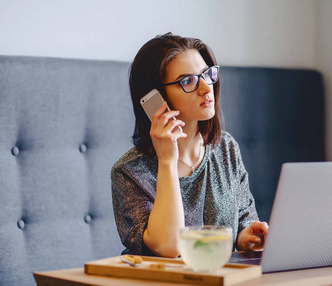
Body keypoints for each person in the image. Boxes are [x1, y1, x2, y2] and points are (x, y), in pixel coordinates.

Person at [111, 33, 268, 258]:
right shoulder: (129, 172)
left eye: (207, 74)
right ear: (156, 97)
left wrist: (246, 237)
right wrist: (167, 160)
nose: (206, 88)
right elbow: (168, 247)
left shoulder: (226, 148)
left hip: (217, 283)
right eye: (188, 81)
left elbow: (245, 218)